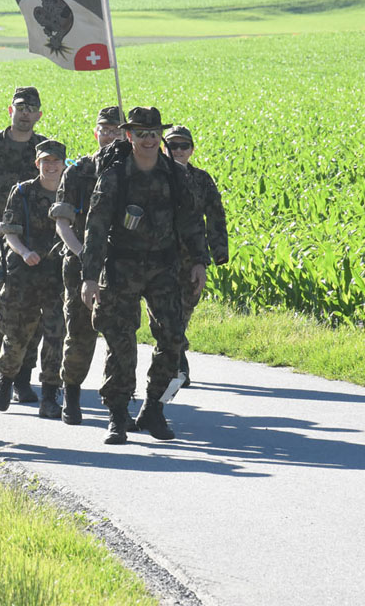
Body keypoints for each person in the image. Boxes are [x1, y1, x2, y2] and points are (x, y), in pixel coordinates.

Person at [80, 107, 210, 444]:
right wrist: (90, 277)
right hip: (121, 267)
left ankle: (154, 407)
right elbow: (96, 228)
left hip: (164, 268)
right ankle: (117, 414)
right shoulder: (115, 177)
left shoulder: (174, 175)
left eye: (154, 133)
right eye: (141, 134)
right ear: (129, 136)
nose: (149, 140)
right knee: (120, 341)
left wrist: (199, 261)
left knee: (173, 339)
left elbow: (192, 221)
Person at [0, 86, 48, 403]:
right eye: (20, 107)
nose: (25, 113)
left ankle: (22, 377)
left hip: (34, 245)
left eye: (31, 109)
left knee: (33, 313)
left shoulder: (44, 150)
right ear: (10, 110)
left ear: (38, 114)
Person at [50, 105, 123, 425]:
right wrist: (83, 254)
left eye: (116, 131)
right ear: (96, 134)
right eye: (104, 130)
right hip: (80, 264)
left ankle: (117, 401)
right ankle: (71, 393)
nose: (110, 136)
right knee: (79, 333)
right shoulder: (78, 171)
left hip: (122, 266)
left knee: (121, 337)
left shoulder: (133, 172)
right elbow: (62, 222)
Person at [0, 139, 68, 418]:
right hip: (25, 272)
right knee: (17, 334)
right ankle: (6, 378)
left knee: (56, 335)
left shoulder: (70, 192)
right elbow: (9, 231)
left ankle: (49, 395)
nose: (51, 166)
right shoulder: (23, 191)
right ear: (37, 163)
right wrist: (24, 252)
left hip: (57, 276)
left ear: (64, 164)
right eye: (46, 161)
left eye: (56, 161)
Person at [160, 125, 230, 386]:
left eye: (183, 146)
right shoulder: (155, 176)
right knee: (164, 310)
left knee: (185, 308)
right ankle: (176, 359)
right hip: (161, 255)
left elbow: (215, 216)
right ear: (164, 149)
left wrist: (218, 252)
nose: (178, 151)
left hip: (192, 256)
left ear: (192, 150)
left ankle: (176, 350)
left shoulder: (201, 179)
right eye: (172, 146)